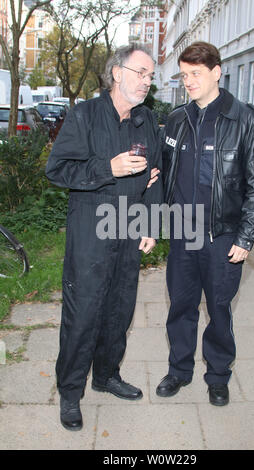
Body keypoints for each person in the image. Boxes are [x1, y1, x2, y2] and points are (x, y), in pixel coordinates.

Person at [45, 44, 162, 431]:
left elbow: (155, 178)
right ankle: (70, 391)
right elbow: (58, 170)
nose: (147, 81)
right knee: (83, 314)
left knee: (119, 311)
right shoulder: (84, 115)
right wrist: (106, 167)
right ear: (116, 73)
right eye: (141, 72)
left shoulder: (147, 121)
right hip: (90, 234)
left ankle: (106, 375)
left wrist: (150, 223)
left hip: (128, 232)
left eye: (150, 75)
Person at [157, 41, 254, 406]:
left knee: (219, 308)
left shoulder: (246, 120)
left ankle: (218, 375)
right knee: (180, 305)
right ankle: (179, 370)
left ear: (216, 72)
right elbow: (165, 176)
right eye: (184, 74)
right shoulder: (177, 118)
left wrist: (247, 236)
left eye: (196, 74)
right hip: (183, 234)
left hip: (223, 237)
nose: (188, 81)